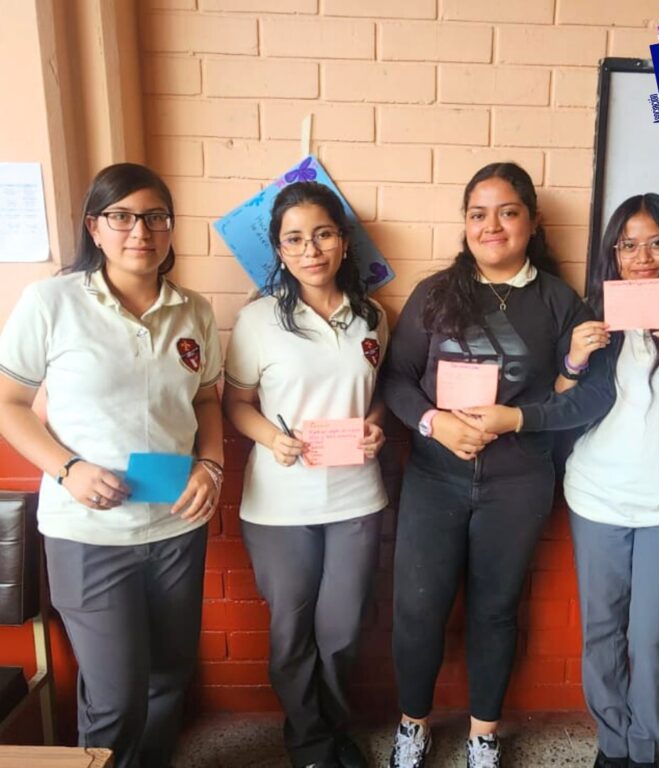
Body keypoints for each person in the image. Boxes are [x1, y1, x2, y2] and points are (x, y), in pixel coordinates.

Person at [458, 193, 659, 768]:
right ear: (612, 252)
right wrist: (574, 360)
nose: (642, 258)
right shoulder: (589, 312)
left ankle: (644, 744)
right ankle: (612, 744)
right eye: (628, 245)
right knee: (603, 629)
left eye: (656, 243)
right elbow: (562, 406)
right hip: (597, 498)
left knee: (652, 634)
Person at [0, 163, 224, 768]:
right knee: (117, 699)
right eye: (121, 217)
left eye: (155, 217)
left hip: (177, 525)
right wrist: (68, 468)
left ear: (171, 227)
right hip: (89, 535)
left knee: (169, 677)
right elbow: (8, 403)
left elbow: (206, 400)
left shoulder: (194, 311)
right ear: (94, 227)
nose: (140, 232)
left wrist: (211, 466)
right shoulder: (52, 301)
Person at [382, 162, 593, 768]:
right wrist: (434, 422)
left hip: (518, 484)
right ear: (465, 223)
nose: (492, 226)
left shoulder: (558, 302)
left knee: (496, 610)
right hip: (434, 477)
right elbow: (396, 380)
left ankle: (483, 734)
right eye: (479, 214)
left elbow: (582, 399)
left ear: (532, 221)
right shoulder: (434, 293)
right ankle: (413, 726)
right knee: (418, 607)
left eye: (507, 212)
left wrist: (516, 419)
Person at [223, 181, 389, 768]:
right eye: (294, 239)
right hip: (279, 506)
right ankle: (310, 744)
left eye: (322, 235)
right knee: (292, 636)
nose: (310, 250)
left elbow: (376, 396)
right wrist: (273, 439)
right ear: (280, 250)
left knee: (341, 632)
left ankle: (336, 729)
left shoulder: (373, 317)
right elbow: (235, 402)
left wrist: (374, 425)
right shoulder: (258, 319)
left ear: (343, 241)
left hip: (356, 498)